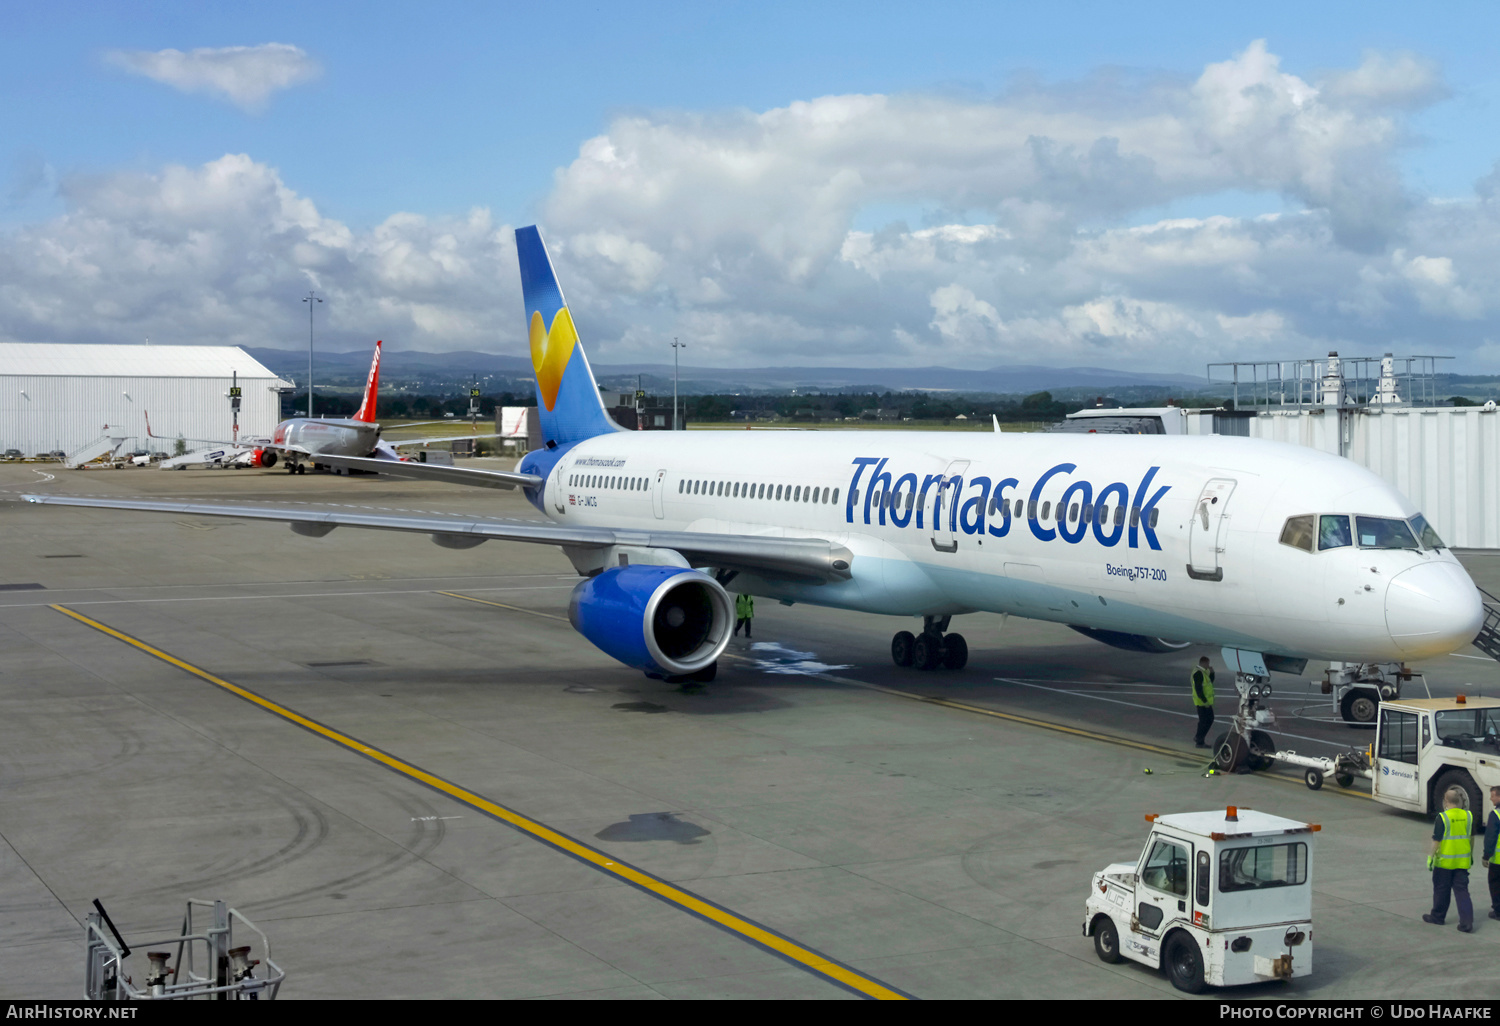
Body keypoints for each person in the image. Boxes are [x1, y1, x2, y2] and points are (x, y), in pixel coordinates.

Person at [1424, 785, 1476, 932]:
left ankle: (1438, 917)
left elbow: (1437, 840)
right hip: (1462, 862)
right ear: (1459, 800)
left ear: (1446, 800)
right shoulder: (1468, 816)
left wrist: (1430, 857)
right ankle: (1467, 923)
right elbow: (1471, 839)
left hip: (1444, 863)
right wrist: (1470, 855)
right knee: (1462, 891)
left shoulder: (1443, 817)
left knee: (1441, 890)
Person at [1191, 656, 1215, 749]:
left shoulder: (1203, 673)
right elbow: (1198, 689)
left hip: (1204, 702)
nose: (1208, 665)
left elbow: (1209, 683)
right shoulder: (1198, 673)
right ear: (1204, 663)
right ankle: (1199, 739)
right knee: (1206, 720)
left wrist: (1212, 673)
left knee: (1206, 720)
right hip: (1202, 702)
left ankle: (1199, 738)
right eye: (1207, 663)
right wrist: (1205, 701)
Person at [1484, 786, 1500, 921]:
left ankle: (1498, 911)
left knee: (1495, 884)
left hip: (1498, 860)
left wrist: (1486, 855)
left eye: (1493, 796)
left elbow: (1490, 837)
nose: (1490, 798)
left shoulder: (1495, 815)